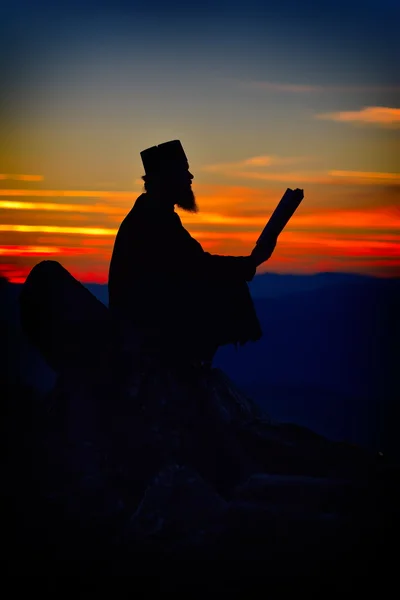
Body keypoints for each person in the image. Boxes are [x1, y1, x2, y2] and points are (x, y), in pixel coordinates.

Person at [108, 140, 277, 367]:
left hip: (148, 314)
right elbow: (198, 266)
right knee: (230, 287)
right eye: (183, 170)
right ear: (166, 178)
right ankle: (190, 365)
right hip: (144, 323)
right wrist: (251, 262)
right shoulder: (153, 218)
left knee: (227, 282)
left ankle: (194, 363)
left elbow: (193, 263)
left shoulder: (155, 214)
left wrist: (248, 263)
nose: (190, 177)